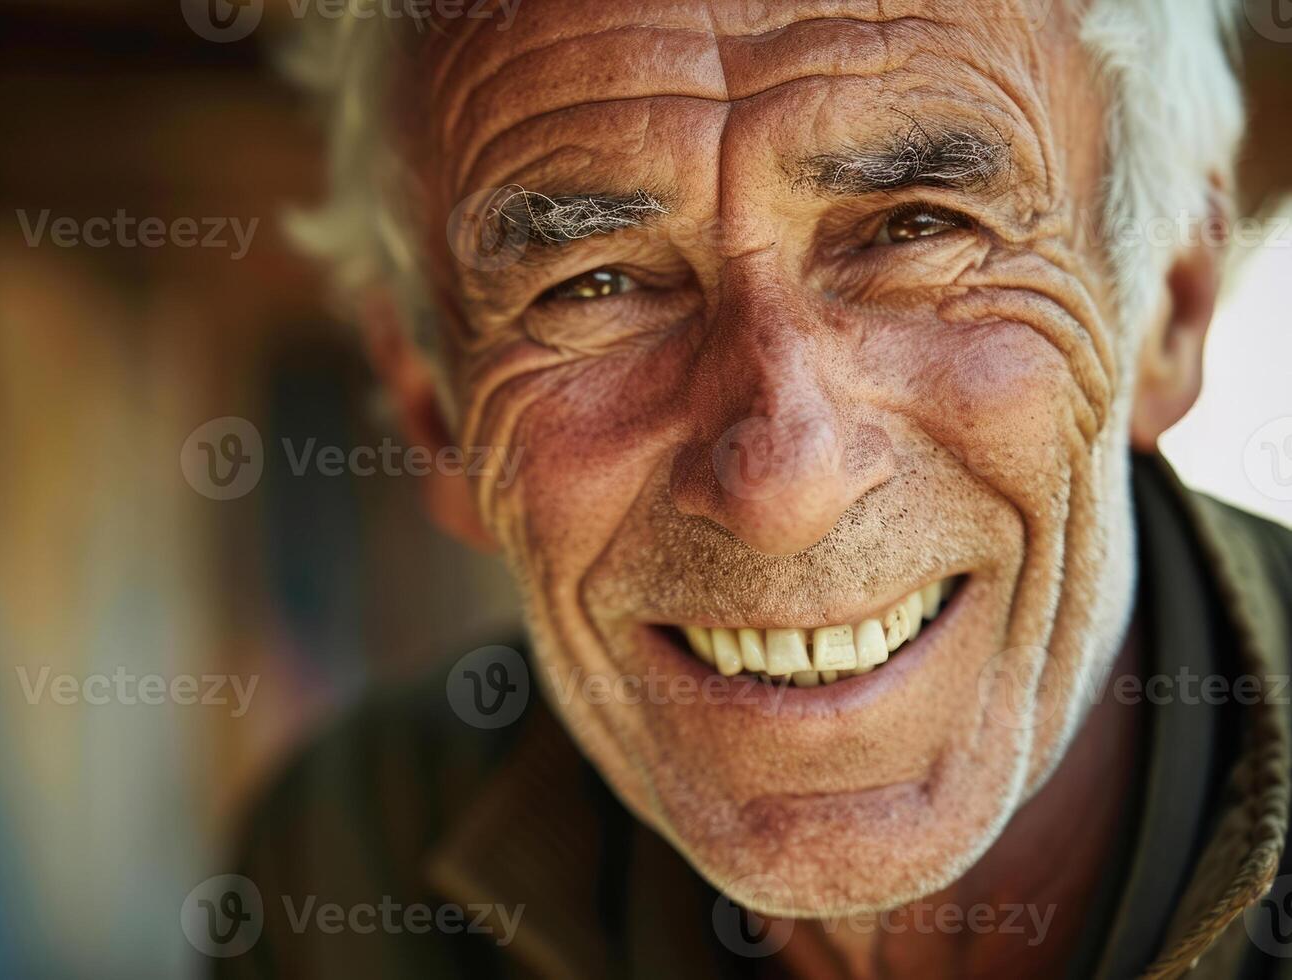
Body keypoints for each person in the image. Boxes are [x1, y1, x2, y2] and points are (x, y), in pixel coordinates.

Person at [217, 2, 1292, 975]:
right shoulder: (346, 866)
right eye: (595, 284)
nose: (783, 484)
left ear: (1171, 306)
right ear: (438, 418)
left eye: (917, 228)